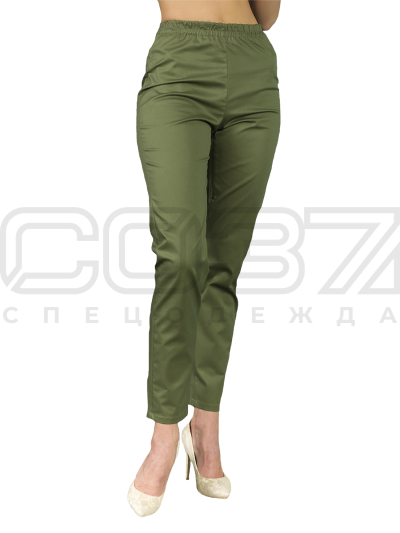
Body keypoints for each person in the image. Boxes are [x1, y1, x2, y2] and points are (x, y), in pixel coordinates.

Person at [128, 0, 281, 517]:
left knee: (223, 263)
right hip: (179, 67)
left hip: (254, 66)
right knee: (181, 257)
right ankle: (163, 433)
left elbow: (266, 15)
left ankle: (206, 426)